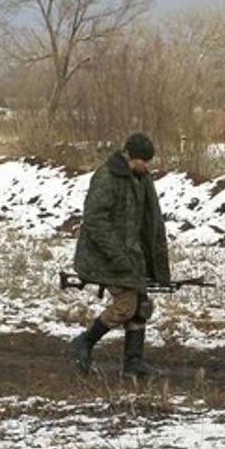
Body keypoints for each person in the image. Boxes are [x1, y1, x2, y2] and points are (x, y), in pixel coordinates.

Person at [70, 132, 170, 377]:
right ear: (129, 156)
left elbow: (149, 220)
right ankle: (85, 341)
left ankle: (133, 363)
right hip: (102, 256)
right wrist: (117, 256)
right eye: (143, 161)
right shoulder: (105, 178)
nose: (147, 166)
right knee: (126, 306)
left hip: (131, 254)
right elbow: (95, 222)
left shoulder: (141, 178)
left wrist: (151, 258)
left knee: (141, 307)